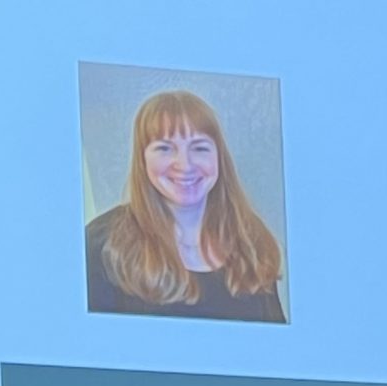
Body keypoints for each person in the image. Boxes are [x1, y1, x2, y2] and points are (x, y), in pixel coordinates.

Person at [84, 89, 285, 323]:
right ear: (142, 159)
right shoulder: (100, 243)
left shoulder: (250, 238)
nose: (185, 164)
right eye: (165, 148)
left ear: (219, 157)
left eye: (199, 148)